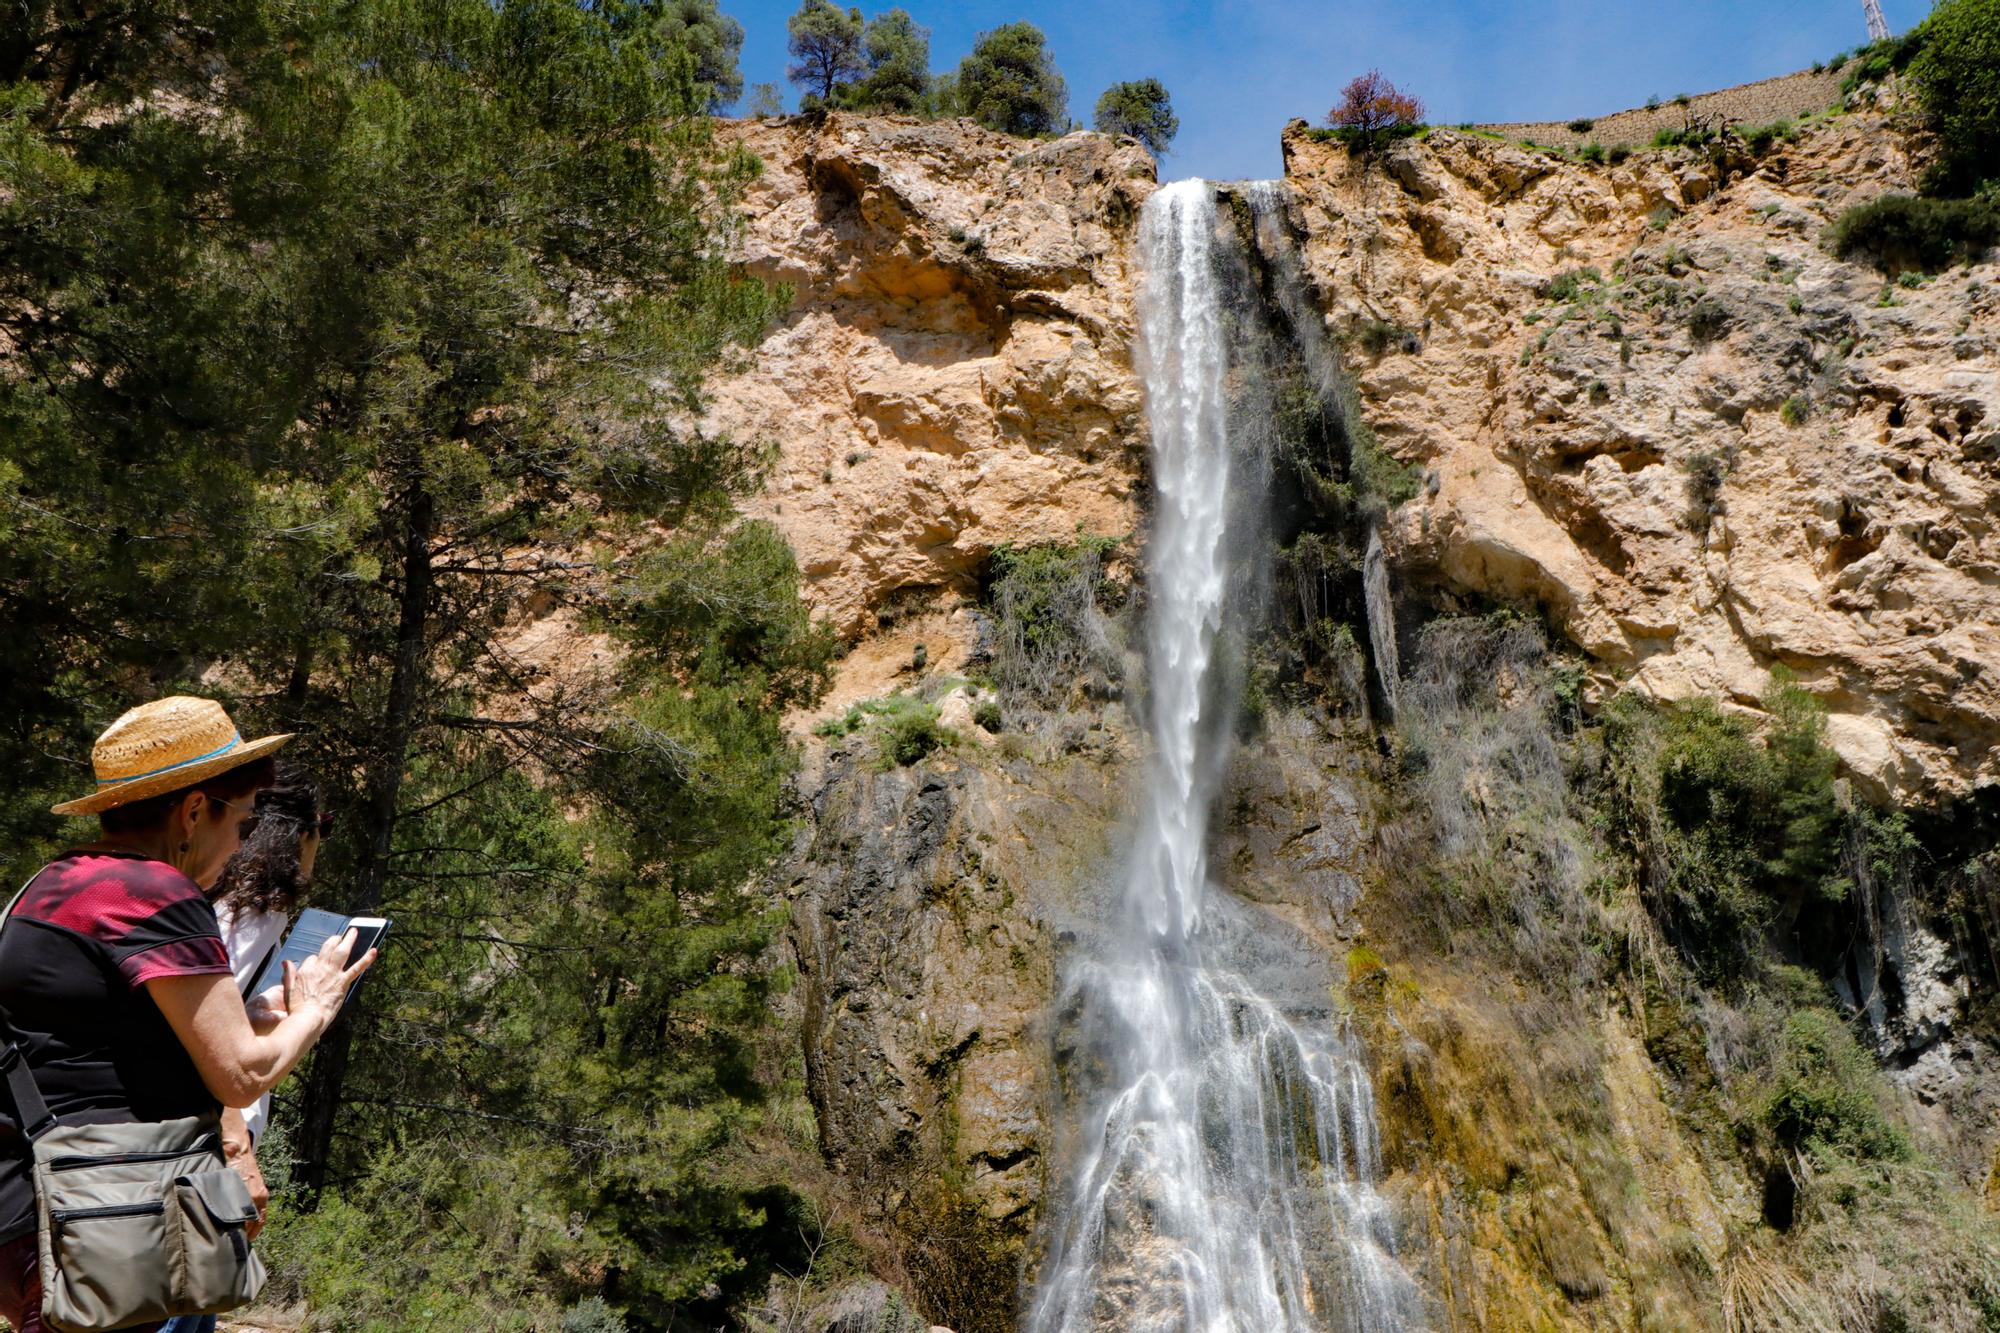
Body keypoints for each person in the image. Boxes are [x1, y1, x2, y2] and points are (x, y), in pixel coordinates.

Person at [0, 697, 373, 1333]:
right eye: (244, 821)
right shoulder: (155, 893)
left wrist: (253, 1016)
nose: (242, 844)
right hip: (98, 1208)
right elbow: (240, 1077)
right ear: (195, 809)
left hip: (26, 1193)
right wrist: (315, 1008)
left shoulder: (57, 881)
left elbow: (98, 1038)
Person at [158, 767, 331, 1333]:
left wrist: (255, 1014)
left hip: (178, 1136)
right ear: (297, 836)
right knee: (183, 1296)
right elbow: (200, 1042)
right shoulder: (255, 909)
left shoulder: (204, 896)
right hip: (204, 1141)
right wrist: (239, 1153)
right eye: (321, 829)